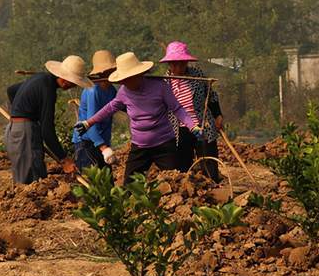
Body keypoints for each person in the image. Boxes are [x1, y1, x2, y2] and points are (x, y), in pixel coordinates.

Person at [74, 52, 201, 184]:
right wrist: (88, 123)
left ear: (139, 74)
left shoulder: (160, 87)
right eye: (123, 80)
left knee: (176, 180)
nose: (126, 82)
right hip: (139, 147)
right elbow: (109, 108)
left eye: (130, 78)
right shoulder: (123, 92)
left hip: (164, 144)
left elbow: (177, 108)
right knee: (130, 185)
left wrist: (192, 125)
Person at [6, 55, 92, 184]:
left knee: (24, 177)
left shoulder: (40, 79)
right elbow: (47, 131)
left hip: (15, 129)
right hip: (25, 133)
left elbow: (11, 90)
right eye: (74, 83)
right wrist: (64, 159)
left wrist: (20, 112)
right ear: (65, 80)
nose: (73, 86)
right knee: (33, 180)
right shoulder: (48, 90)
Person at [160, 41, 223, 182]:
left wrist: (218, 115)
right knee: (183, 166)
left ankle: (213, 188)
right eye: (174, 64)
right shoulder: (165, 82)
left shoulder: (197, 75)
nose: (178, 67)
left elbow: (210, 96)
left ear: (187, 62)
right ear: (169, 64)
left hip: (202, 126)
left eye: (182, 63)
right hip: (179, 130)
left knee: (209, 163)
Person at [71, 50, 118, 170]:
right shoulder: (93, 91)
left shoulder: (112, 90)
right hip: (86, 142)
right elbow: (90, 124)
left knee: (106, 183)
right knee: (92, 183)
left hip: (101, 141)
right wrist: (104, 148)